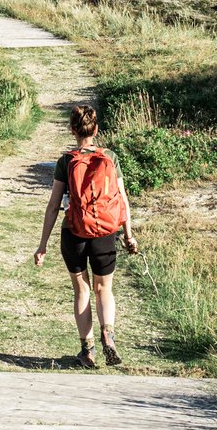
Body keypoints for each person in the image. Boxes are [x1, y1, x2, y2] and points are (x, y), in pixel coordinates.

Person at [34, 105, 139, 368]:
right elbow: (122, 200)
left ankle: (88, 350)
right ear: (96, 129)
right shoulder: (110, 157)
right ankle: (109, 335)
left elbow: (53, 205)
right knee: (104, 289)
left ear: (72, 130)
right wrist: (128, 235)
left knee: (81, 290)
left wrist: (43, 245)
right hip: (105, 231)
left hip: (74, 233)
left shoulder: (66, 161)